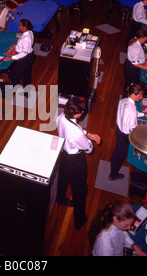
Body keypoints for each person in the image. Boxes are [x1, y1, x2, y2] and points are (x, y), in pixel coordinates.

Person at [56, 96, 101, 230]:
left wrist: (87, 133)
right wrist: (89, 141)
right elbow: (88, 149)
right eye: (82, 112)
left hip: (63, 154)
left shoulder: (61, 117)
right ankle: (79, 219)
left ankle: (60, 198)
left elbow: (76, 128)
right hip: (75, 161)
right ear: (77, 114)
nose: (83, 113)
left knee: (62, 179)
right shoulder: (76, 133)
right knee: (79, 190)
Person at [110, 83, 147, 181]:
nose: (141, 98)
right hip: (125, 136)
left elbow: (129, 115)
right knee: (120, 154)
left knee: (117, 152)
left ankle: (113, 167)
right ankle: (113, 174)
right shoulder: (131, 109)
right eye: (140, 96)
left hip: (119, 130)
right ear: (133, 95)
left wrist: (143, 115)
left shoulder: (123, 100)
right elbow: (133, 128)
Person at [3, 19, 35, 95]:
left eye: (20, 25)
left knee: (14, 76)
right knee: (26, 75)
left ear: (25, 27)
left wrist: (11, 58)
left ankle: (17, 89)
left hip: (24, 59)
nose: (19, 26)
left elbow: (24, 53)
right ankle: (27, 93)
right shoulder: (30, 32)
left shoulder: (26, 39)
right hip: (30, 56)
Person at [123, 29, 147, 96]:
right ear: (141, 38)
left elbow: (134, 54)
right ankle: (126, 97)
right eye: (146, 38)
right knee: (131, 84)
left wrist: (143, 55)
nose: (146, 40)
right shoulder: (136, 48)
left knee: (129, 83)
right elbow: (135, 63)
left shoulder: (134, 41)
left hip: (128, 63)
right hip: (132, 68)